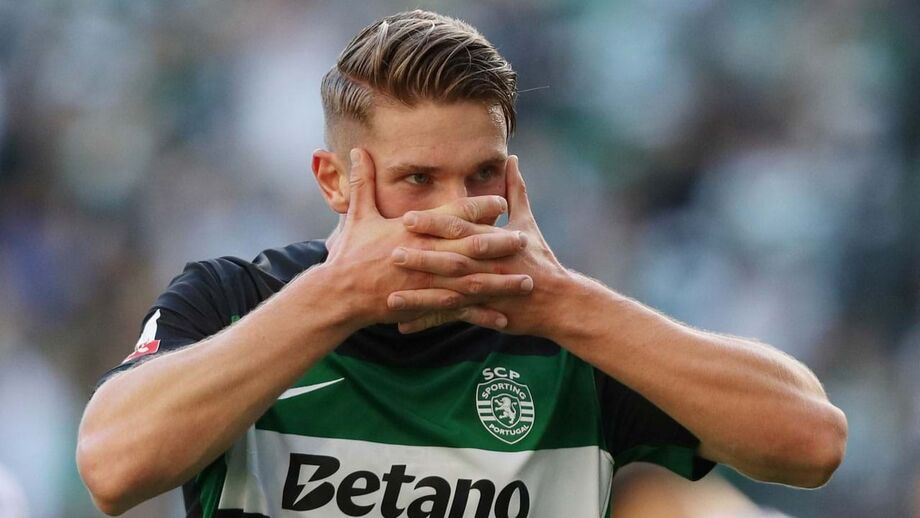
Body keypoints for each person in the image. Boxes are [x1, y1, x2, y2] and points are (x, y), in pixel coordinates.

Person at [76, 10, 847, 517]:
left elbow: (813, 442)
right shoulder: (235, 300)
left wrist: (567, 305)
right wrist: (334, 298)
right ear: (334, 181)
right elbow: (112, 466)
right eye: (418, 179)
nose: (458, 210)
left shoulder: (572, 340)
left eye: (483, 174)